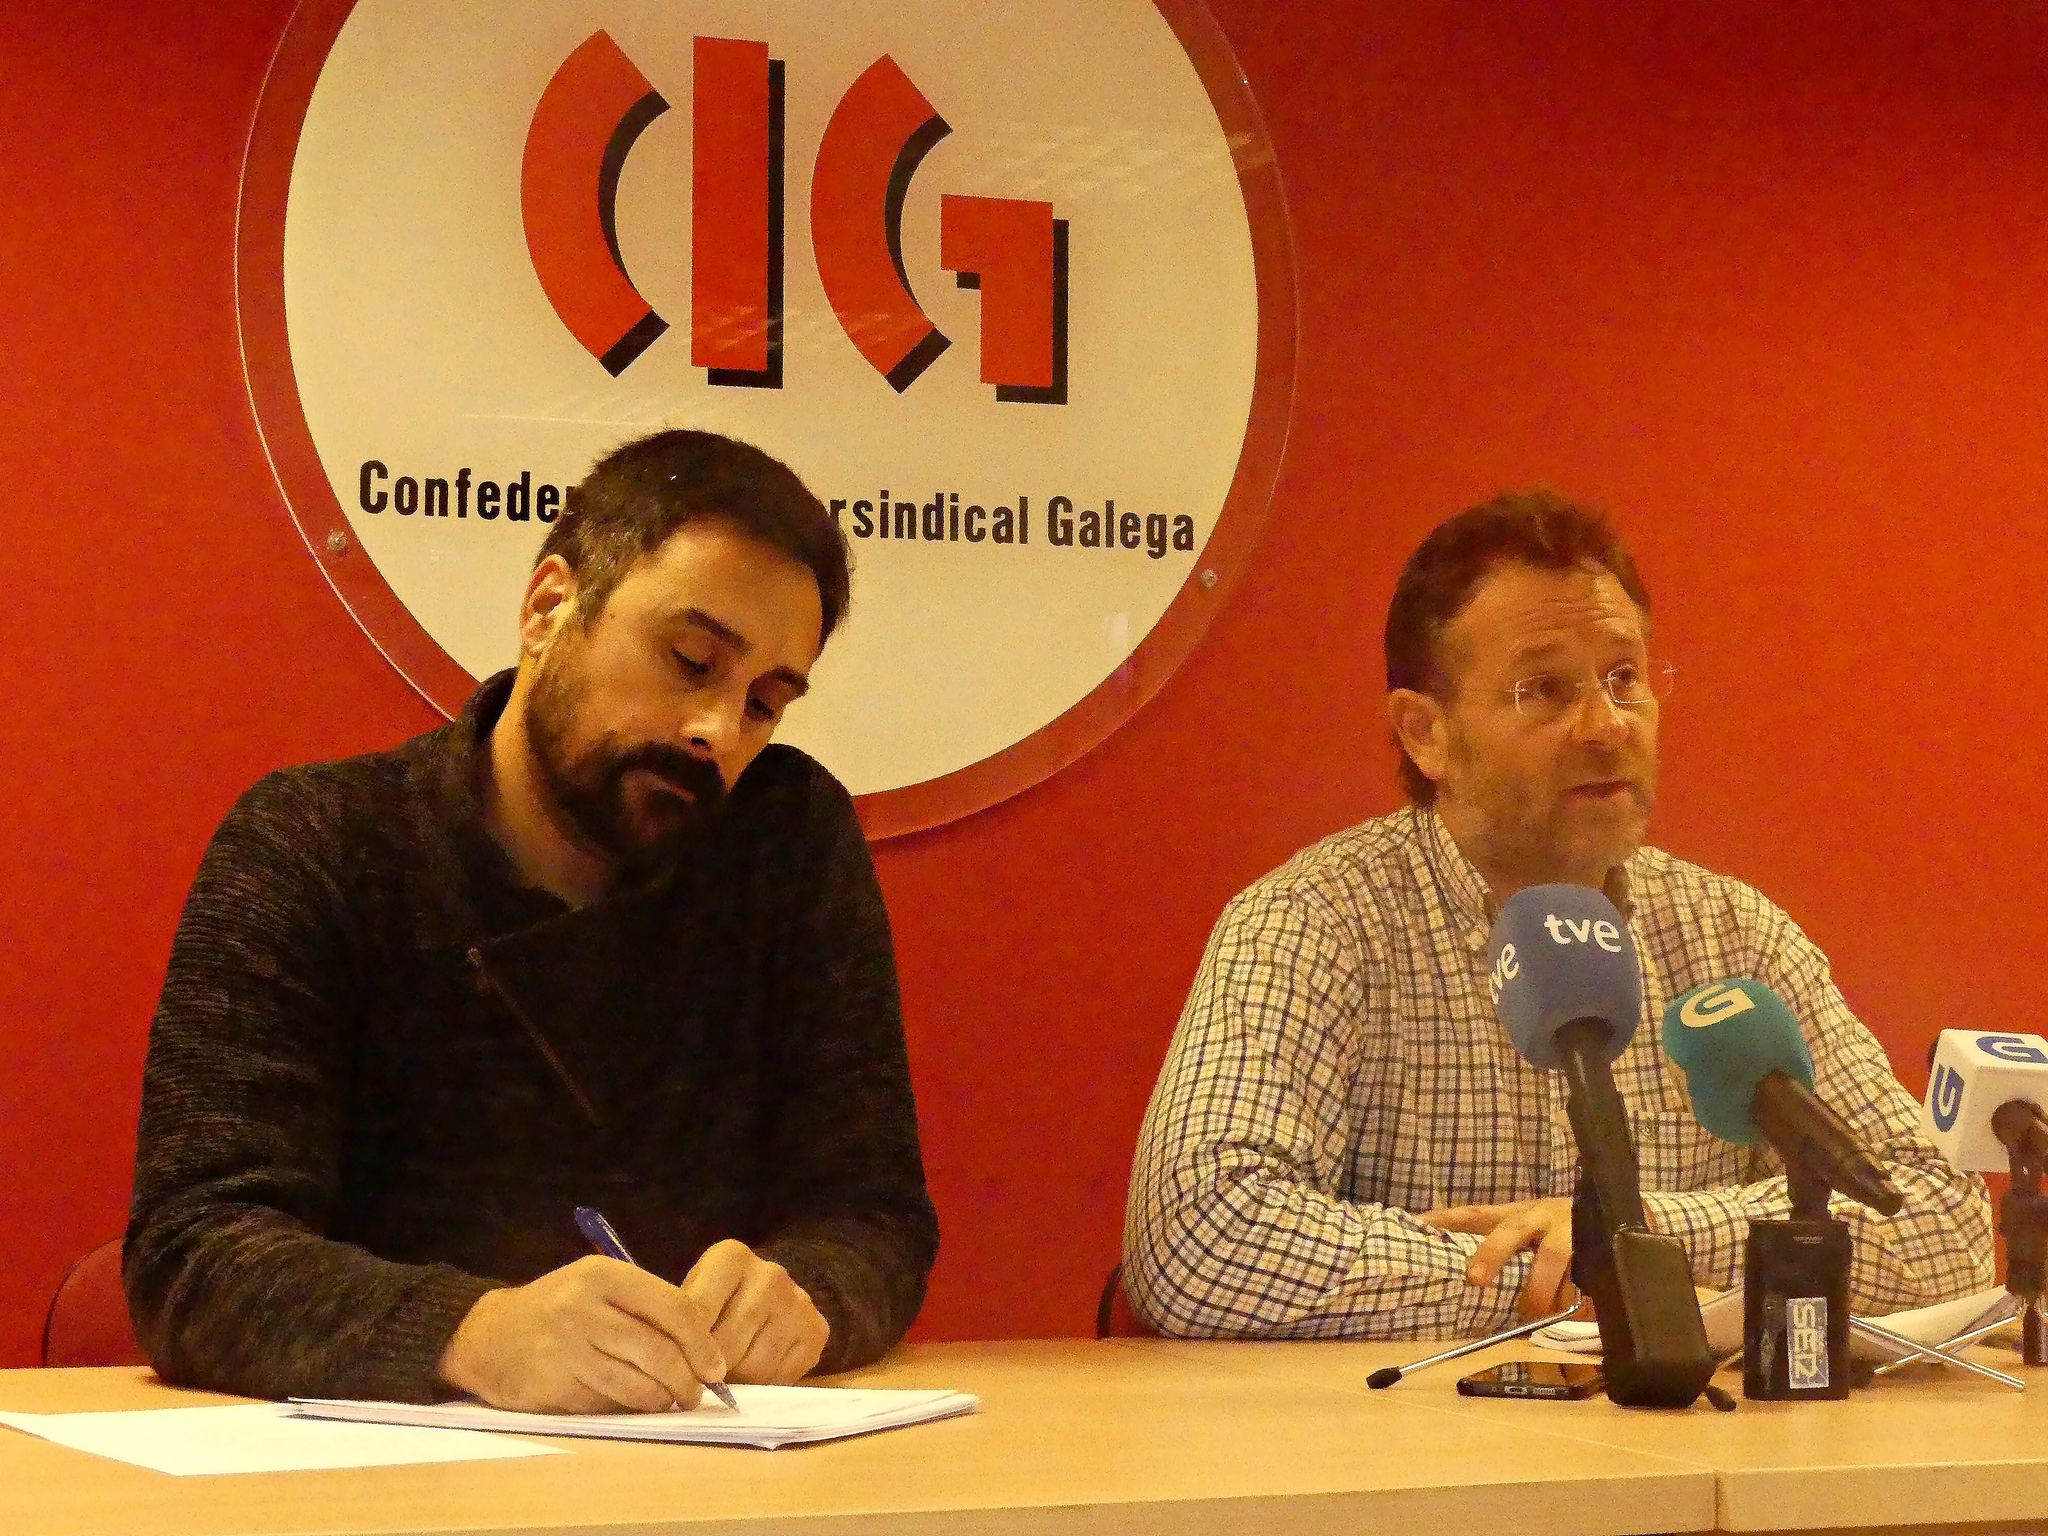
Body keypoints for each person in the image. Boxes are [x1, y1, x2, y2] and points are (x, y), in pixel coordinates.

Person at [126, 429, 937, 1408]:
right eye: (690, 660)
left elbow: (874, 1215)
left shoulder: (786, 841)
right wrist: (473, 1334)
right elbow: (195, 1251)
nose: (718, 730)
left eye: (764, 703)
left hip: (716, 1460)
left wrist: (808, 1294)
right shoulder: (317, 843)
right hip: (378, 1470)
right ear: (549, 608)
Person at [1122, 490, 1991, 1338]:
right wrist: (1594, 1279)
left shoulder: (1731, 936)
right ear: (1425, 733)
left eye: (1624, 678)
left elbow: (1939, 1225)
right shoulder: (1314, 923)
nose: (1607, 726)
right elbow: (1198, 1236)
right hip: (1405, 1430)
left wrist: (1641, 1232)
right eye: (1543, 689)